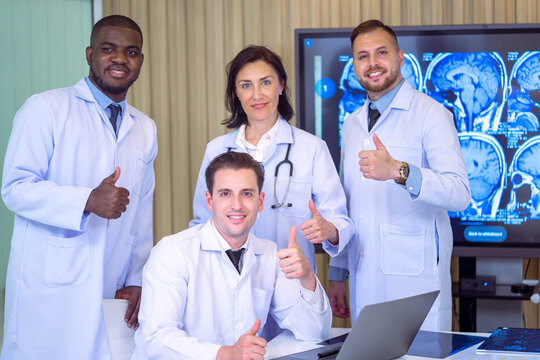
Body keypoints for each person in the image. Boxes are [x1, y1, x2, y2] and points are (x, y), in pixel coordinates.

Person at [1, 15, 157, 360]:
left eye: (131, 52)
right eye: (108, 49)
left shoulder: (144, 128)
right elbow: (15, 187)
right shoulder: (45, 109)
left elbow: (141, 210)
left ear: (140, 61)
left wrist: (136, 277)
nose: (120, 59)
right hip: (48, 286)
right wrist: (87, 200)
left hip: (110, 283)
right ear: (89, 54)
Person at [328, 20, 471, 331]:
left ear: (400, 57)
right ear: (354, 64)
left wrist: (398, 170)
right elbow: (347, 203)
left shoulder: (431, 114)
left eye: (382, 52)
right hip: (362, 276)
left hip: (414, 284)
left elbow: (460, 193)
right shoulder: (352, 124)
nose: (373, 63)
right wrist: (337, 274)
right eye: (362, 56)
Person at [132, 151, 332, 360]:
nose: (237, 205)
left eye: (246, 194)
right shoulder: (172, 252)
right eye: (225, 193)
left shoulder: (270, 254)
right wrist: (224, 354)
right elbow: (156, 339)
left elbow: (313, 333)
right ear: (210, 201)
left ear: (260, 201)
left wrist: (307, 277)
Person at [190, 45, 353, 274]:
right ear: (236, 92)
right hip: (228, 282)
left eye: (265, 82)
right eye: (246, 85)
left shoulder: (312, 149)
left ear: (281, 85)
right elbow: (201, 224)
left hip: (291, 279)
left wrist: (330, 230)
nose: (257, 94)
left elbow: (341, 223)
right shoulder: (216, 150)